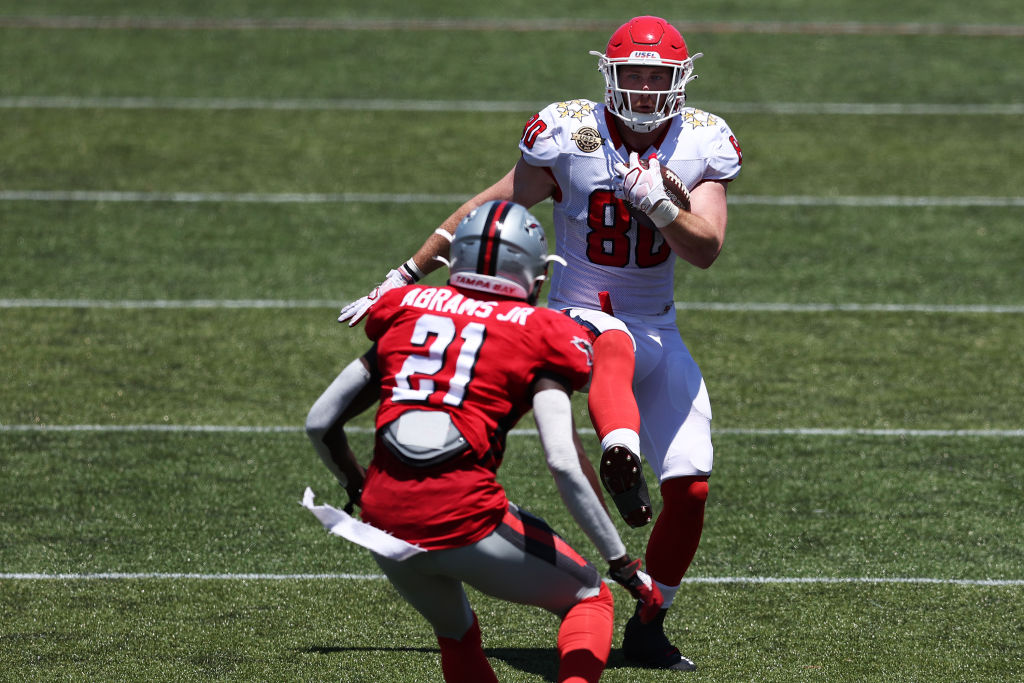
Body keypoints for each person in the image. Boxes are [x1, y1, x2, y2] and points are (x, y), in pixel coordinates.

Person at [338, 16, 743, 672]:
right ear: (609, 76)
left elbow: (707, 249)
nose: (643, 88)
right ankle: (620, 448)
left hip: (660, 323)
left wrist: (665, 209)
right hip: (579, 312)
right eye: (632, 74)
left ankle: (649, 622)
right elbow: (489, 211)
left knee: (691, 489)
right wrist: (406, 270)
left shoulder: (702, 140)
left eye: (657, 76)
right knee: (609, 338)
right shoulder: (568, 133)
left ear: (680, 81)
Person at [306, 200, 663, 683]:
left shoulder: (408, 308)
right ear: (534, 278)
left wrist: (356, 485)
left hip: (382, 520)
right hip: (464, 514)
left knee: (457, 634)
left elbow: (319, 422)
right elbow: (562, 461)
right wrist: (622, 563)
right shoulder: (543, 332)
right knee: (590, 598)